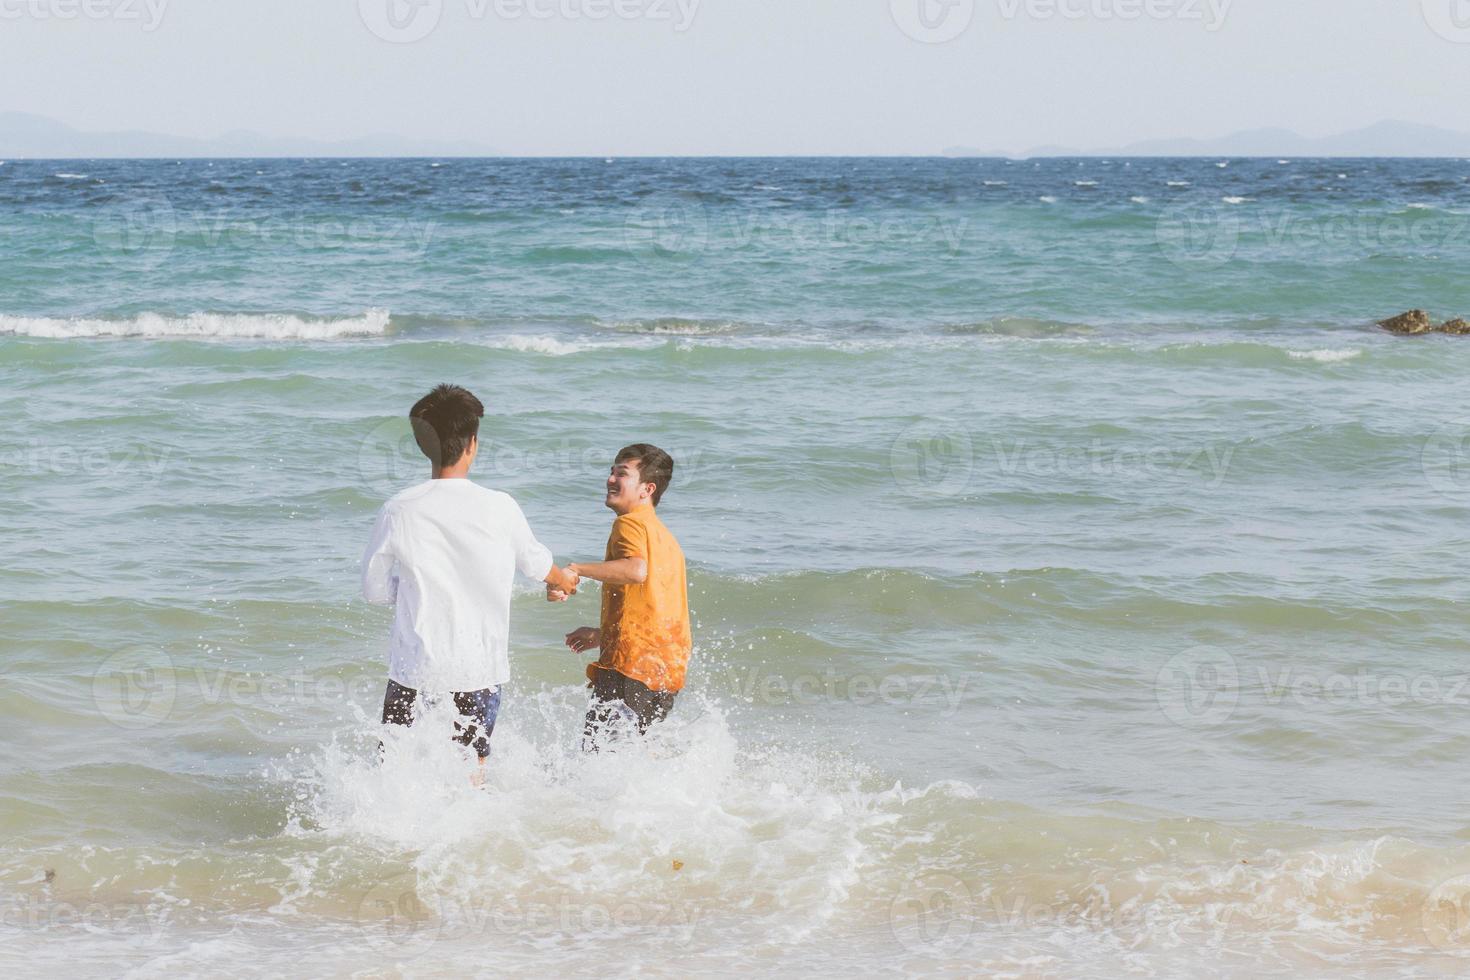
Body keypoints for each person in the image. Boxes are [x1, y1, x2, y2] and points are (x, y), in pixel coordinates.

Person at [362, 384, 579, 778]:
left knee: (393, 768)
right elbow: (537, 564)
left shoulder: (399, 509)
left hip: (415, 667)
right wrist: (563, 581)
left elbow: (374, 591)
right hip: (478, 668)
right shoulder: (500, 506)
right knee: (471, 771)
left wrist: (415, 593)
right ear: (472, 444)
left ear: (421, 445)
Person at [555, 444, 691, 748]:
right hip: (665, 670)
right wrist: (606, 635)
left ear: (647, 489)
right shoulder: (667, 539)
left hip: (630, 668)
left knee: (597, 759)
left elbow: (635, 570)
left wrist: (576, 569)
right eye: (611, 471)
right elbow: (657, 609)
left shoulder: (628, 523)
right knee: (634, 760)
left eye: (622, 474)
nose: (611, 479)